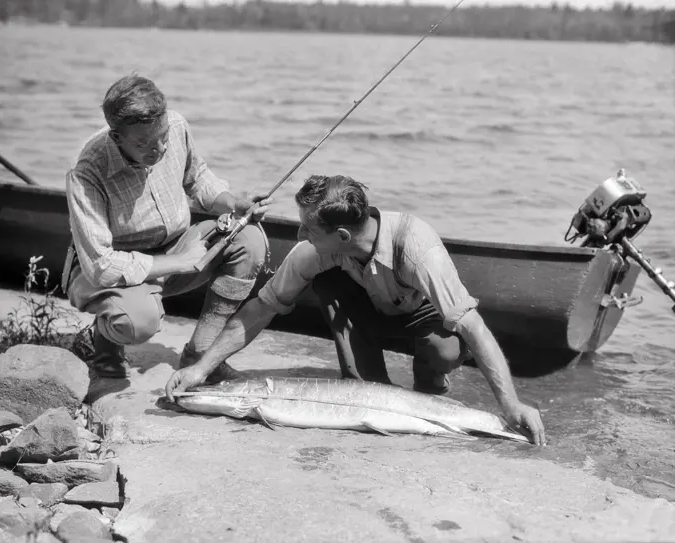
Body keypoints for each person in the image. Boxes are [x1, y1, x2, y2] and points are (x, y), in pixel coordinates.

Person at [165, 175, 546, 445]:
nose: (300, 236)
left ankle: (432, 389)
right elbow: (262, 308)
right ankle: (367, 385)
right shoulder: (314, 252)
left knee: (444, 349)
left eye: (308, 229)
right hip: (369, 314)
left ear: (342, 237)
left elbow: (474, 328)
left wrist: (510, 405)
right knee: (328, 284)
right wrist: (202, 367)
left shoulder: (417, 247)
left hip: (420, 317)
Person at [62, 74, 272, 379]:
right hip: (108, 271)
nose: (159, 149)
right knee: (138, 322)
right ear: (116, 137)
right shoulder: (86, 172)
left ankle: (200, 355)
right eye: (143, 144)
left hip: (175, 248)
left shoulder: (175, 125)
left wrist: (236, 204)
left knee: (249, 239)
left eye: (162, 136)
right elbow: (100, 266)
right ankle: (103, 344)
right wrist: (178, 262)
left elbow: (197, 178)